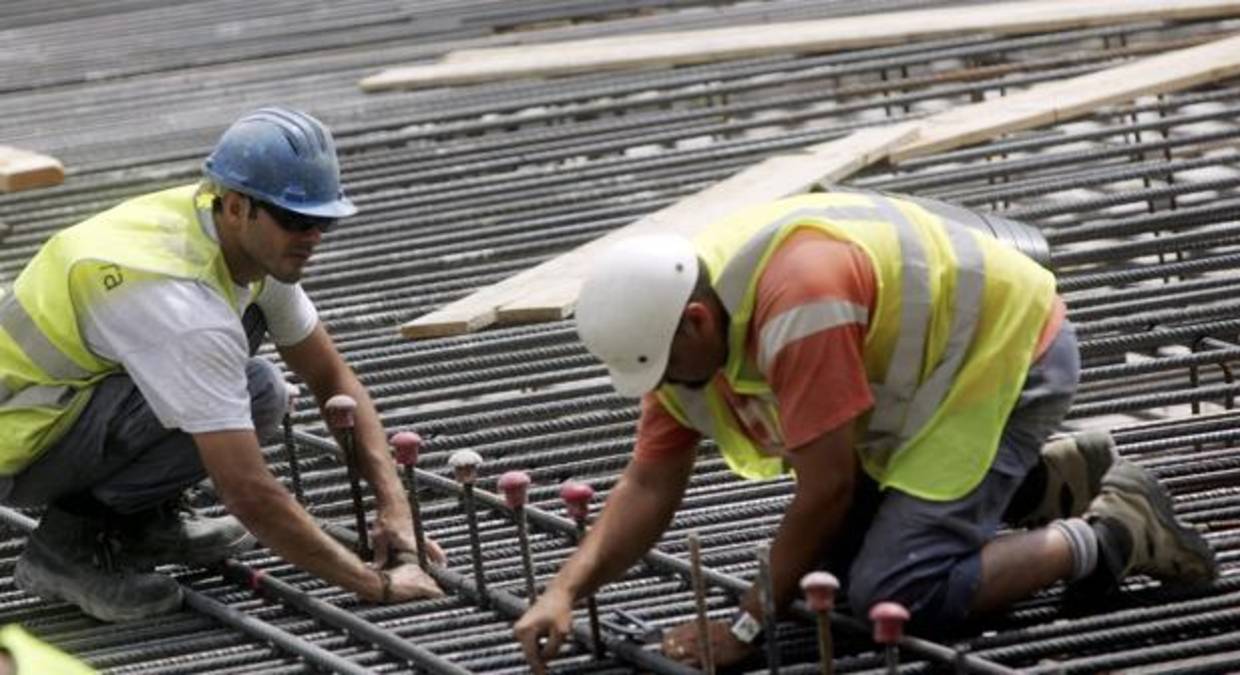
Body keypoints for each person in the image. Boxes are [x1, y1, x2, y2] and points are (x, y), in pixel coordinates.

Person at [514, 190, 1217, 670]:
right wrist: (566, 590)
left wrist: (744, 626)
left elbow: (826, 488)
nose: (664, 389)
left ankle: (1116, 530)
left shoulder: (797, 304)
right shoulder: (676, 322)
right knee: (831, 576)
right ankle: (1035, 482)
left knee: (895, 592)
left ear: (697, 321)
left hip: (1006, 360)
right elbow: (648, 481)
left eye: (665, 370)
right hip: (918, 398)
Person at [0, 107, 443, 622]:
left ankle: (139, 521)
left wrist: (395, 508)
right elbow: (247, 492)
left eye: (324, 221)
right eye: (297, 220)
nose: (313, 237)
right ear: (237, 207)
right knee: (224, 381)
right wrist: (375, 584)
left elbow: (331, 377)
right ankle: (65, 549)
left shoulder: (235, 238)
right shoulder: (177, 302)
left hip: (64, 407)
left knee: (260, 389)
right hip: (17, 439)